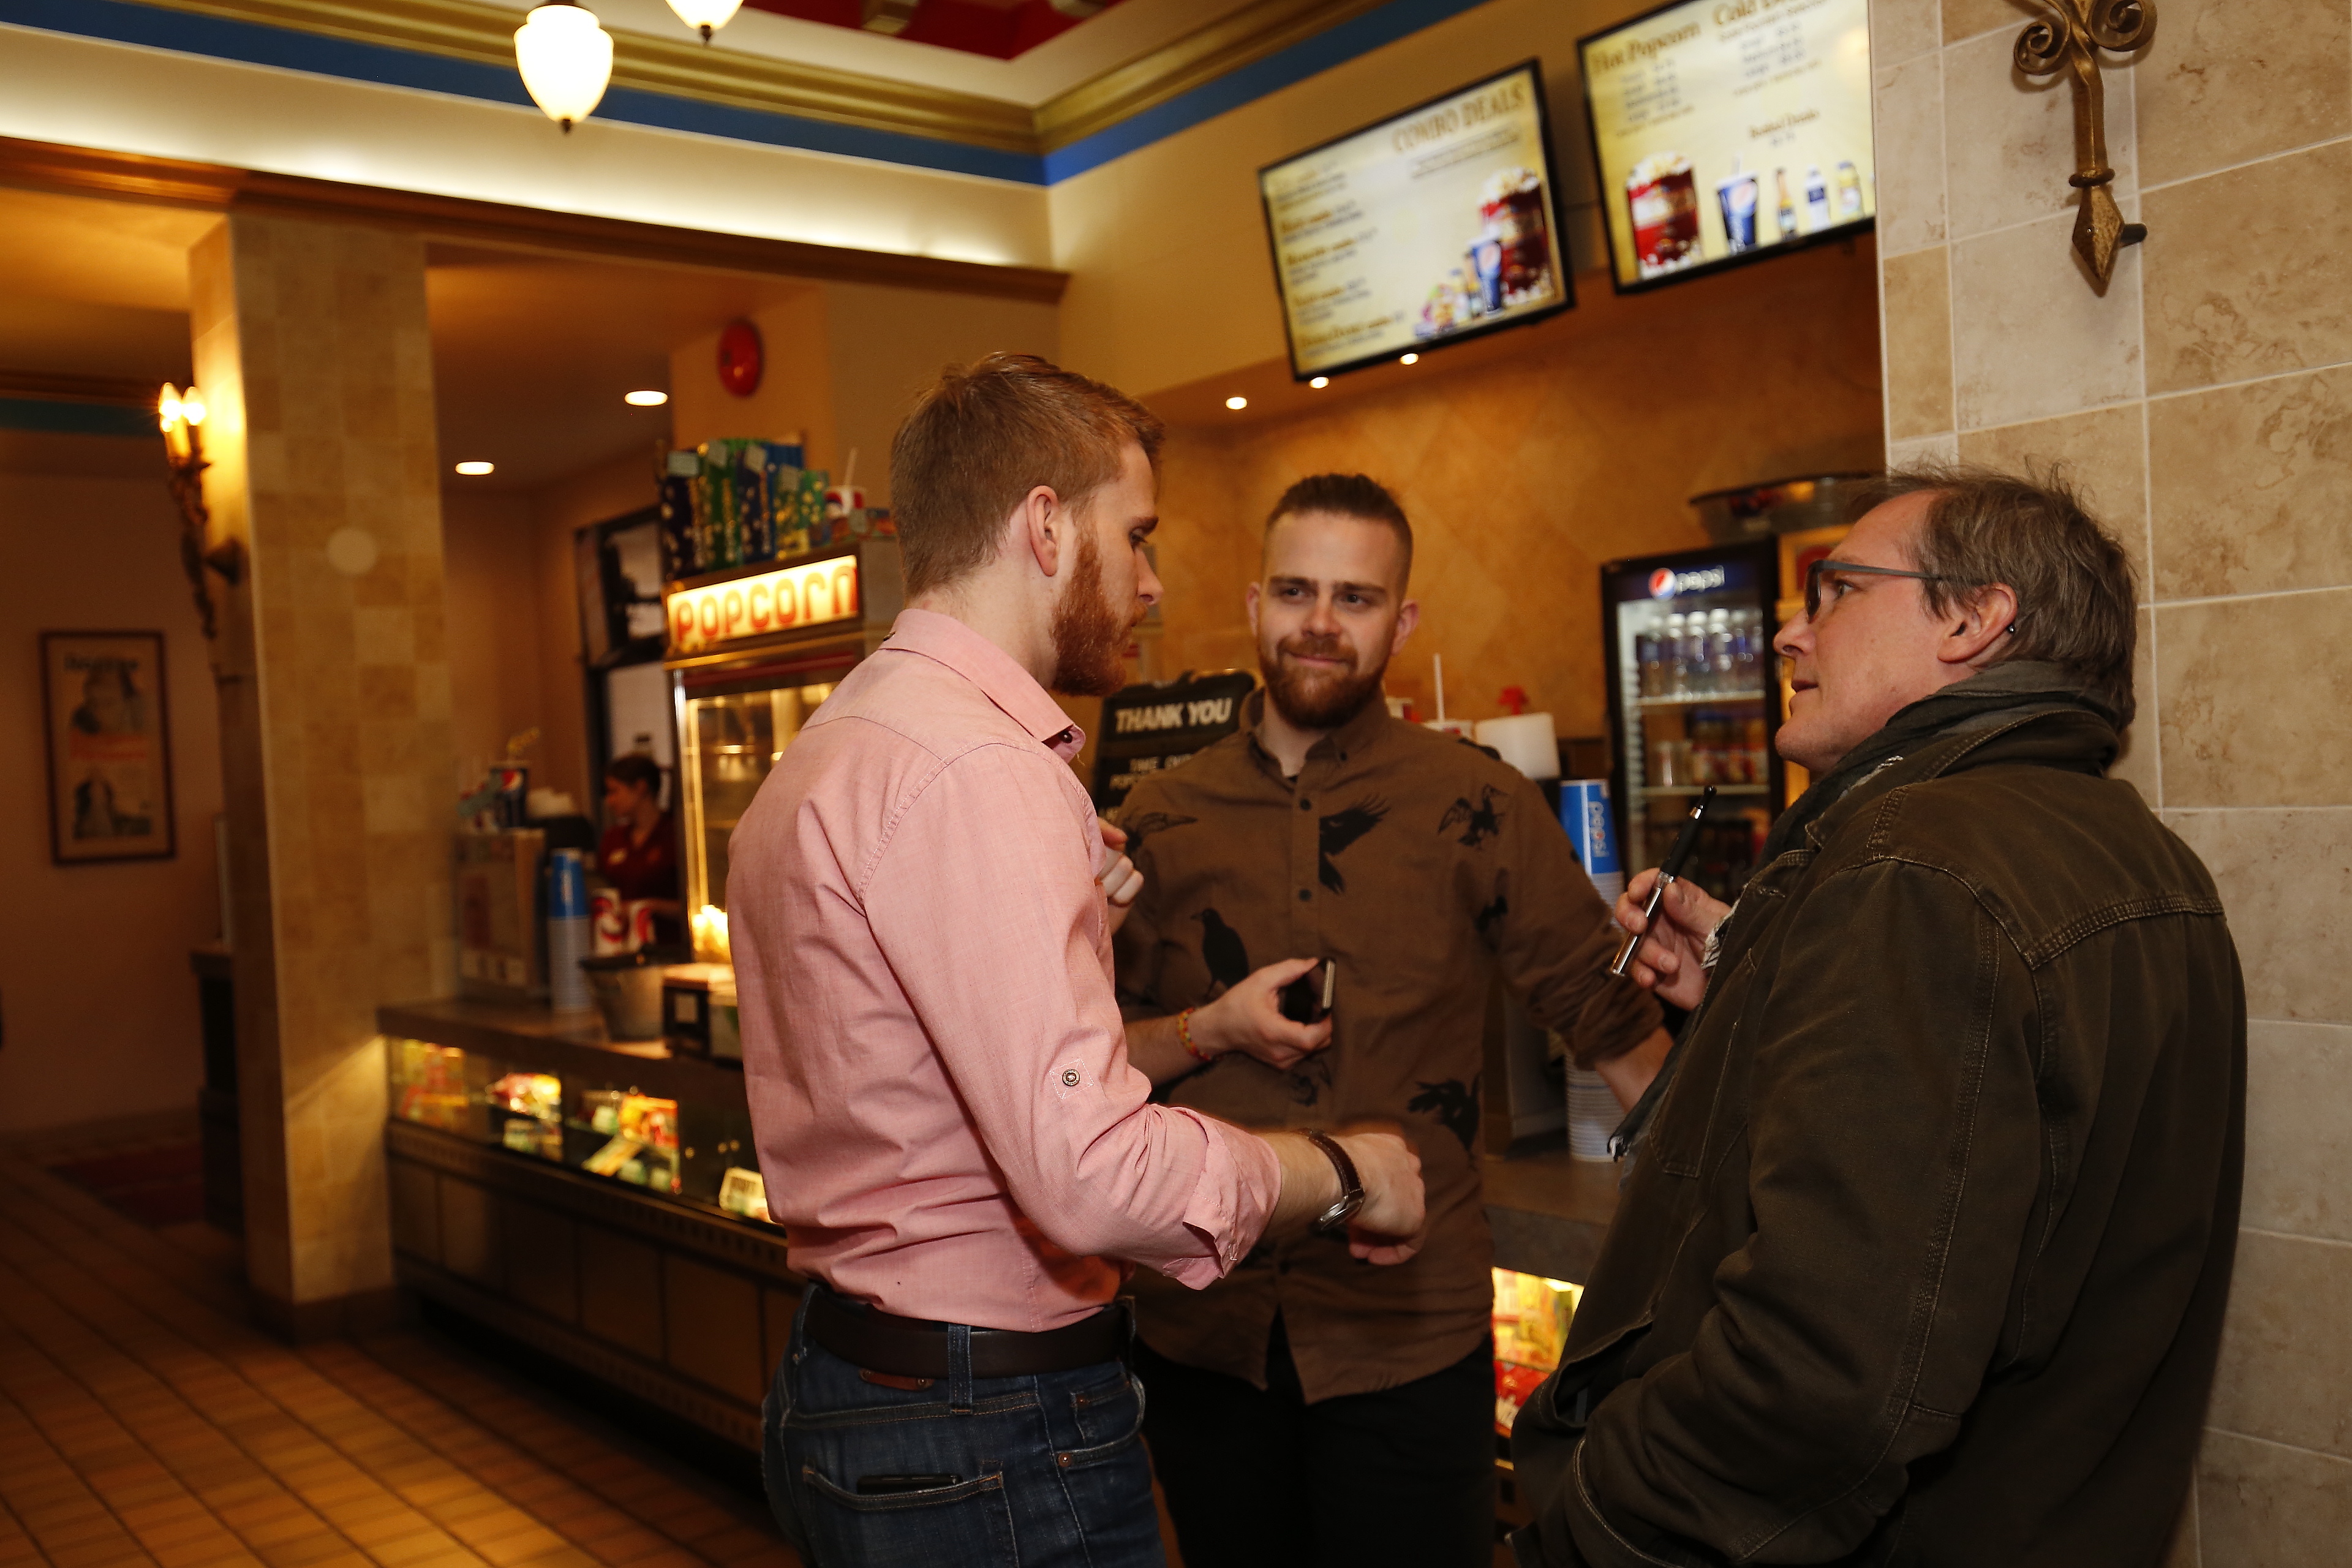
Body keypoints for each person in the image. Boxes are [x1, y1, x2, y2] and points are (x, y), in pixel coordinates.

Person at [728, 356, 1428, 1568]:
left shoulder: (841, 739)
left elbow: (949, 1080)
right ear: (1046, 525)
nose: (1152, 583)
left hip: (853, 1382)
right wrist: (1345, 1170)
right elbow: (1088, 1177)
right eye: (1138, 535)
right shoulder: (982, 770)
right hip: (988, 1431)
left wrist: (1198, 1027)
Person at [1509, 466, 2245, 1567]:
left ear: (1975, 619)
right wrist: (1754, 985)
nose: (1789, 639)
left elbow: (1828, 1378)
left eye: (1834, 590)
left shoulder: (1916, 873)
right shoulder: (2142, 855)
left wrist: (1597, 1520)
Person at [1110, 473, 1672, 1568]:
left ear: (1403, 621)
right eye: (1296, 590)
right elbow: (1081, 1064)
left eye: (1356, 600)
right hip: (1204, 1331)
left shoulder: (1482, 804)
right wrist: (1205, 1029)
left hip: (1408, 1338)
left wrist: (1716, 1238)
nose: (1321, 624)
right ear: (1254, 600)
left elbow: (1611, 1027)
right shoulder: (1156, 821)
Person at [598, 753, 681, 943]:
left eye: (614, 792)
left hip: (669, 944)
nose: (610, 801)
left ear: (641, 788)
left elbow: (696, 905)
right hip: (621, 944)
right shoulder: (613, 839)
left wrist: (651, 906)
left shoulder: (676, 835)